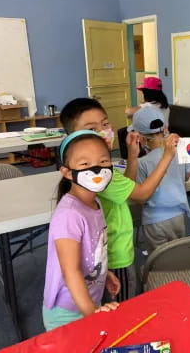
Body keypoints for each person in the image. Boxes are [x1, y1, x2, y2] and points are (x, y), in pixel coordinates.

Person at [60, 98, 179, 302]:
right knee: (121, 305)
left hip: (109, 252)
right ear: (73, 136)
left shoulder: (97, 168)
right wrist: (167, 156)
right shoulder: (100, 172)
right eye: (92, 128)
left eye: (105, 124)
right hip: (114, 255)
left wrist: (132, 156)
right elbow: (140, 194)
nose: (103, 131)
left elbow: (127, 188)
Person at [43, 130, 120, 331]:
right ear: (67, 172)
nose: (96, 169)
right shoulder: (69, 215)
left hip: (88, 301)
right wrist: (92, 312)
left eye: (103, 161)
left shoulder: (95, 201)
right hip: (68, 312)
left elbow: (93, 249)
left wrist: (105, 273)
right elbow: (70, 271)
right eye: (85, 164)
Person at [128, 106, 190, 251]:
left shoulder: (142, 163)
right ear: (165, 129)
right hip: (178, 217)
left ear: (141, 137)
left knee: (159, 260)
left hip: (155, 220)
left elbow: (138, 195)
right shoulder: (180, 151)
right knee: (178, 253)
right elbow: (186, 177)